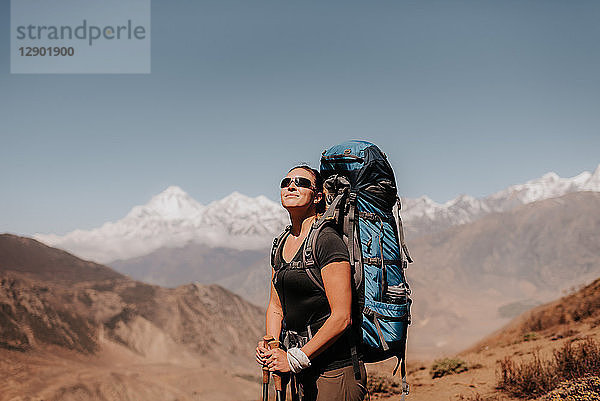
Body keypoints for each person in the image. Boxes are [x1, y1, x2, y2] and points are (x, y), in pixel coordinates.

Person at [255, 165, 368, 401]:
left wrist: (294, 358)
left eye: (301, 182)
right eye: (285, 183)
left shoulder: (327, 240)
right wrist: (273, 347)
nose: (291, 186)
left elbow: (341, 317)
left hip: (335, 371)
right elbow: (276, 306)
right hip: (301, 370)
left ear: (318, 196)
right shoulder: (281, 243)